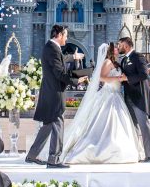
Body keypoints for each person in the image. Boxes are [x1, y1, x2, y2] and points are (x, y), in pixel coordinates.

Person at [61, 42, 143, 164]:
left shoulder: (116, 63)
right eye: (115, 47)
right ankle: (100, 150)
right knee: (107, 123)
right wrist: (118, 78)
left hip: (117, 95)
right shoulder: (107, 62)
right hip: (109, 95)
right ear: (110, 50)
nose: (117, 48)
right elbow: (101, 78)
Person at [26, 24, 81, 169]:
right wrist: (76, 80)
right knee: (58, 124)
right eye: (66, 35)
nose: (67, 38)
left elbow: (61, 59)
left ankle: (32, 155)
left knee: (48, 125)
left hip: (50, 91)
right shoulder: (52, 49)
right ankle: (54, 159)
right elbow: (59, 73)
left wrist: (73, 57)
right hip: (54, 93)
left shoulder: (52, 48)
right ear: (59, 35)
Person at [117, 37, 150, 162]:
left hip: (139, 97)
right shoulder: (123, 60)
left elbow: (144, 74)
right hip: (128, 97)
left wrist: (127, 78)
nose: (118, 47)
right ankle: (136, 153)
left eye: (120, 45)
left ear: (126, 45)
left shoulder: (138, 56)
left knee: (143, 125)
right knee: (133, 127)